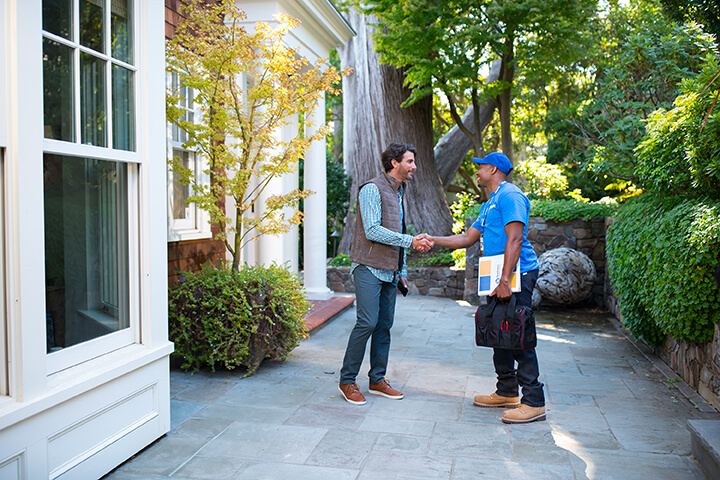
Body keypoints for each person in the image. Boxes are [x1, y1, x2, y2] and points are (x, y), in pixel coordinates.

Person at [428, 152, 545, 424]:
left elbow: (515, 239)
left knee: (518, 333)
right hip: (498, 275)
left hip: (517, 273)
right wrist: (432, 239)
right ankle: (506, 391)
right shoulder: (489, 203)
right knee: (499, 331)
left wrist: (505, 280)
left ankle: (534, 401)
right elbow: (467, 238)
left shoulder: (510, 196)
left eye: (480, 168)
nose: (477, 172)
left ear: (492, 169)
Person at [338, 143, 432, 405]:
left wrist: (401, 270)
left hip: (390, 271)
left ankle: (377, 379)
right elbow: (372, 230)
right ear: (394, 162)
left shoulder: (400, 191)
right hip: (368, 267)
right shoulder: (371, 189)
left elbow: (395, 229)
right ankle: (347, 381)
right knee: (367, 322)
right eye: (410, 161)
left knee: (384, 326)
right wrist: (411, 241)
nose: (414, 167)